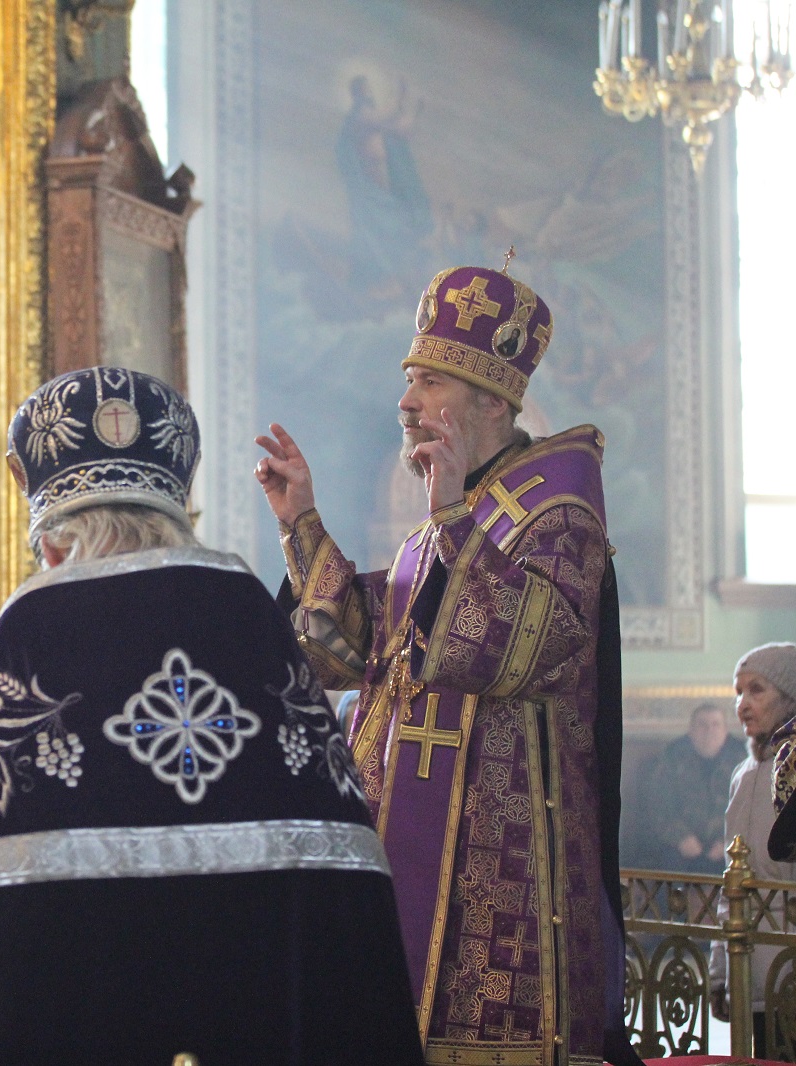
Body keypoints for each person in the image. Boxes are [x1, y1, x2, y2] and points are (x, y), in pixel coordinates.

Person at [0, 367, 424, 1065]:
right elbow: (347, 909)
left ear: (53, 546)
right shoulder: (256, 642)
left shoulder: (12, 666)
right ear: (176, 519)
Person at [256, 264, 637, 1065]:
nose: (406, 400)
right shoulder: (449, 514)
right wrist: (302, 523)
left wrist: (455, 517)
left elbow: (518, 649)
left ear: (492, 402)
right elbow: (361, 648)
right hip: (404, 825)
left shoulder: (559, 510)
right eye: (410, 378)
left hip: (500, 854)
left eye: (430, 382)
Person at [717, 643, 796, 1055]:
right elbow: (731, 882)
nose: (743, 704)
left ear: (789, 698)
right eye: (739, 692)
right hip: (751, 970)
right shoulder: (744, 774)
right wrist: (720, 972)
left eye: (757, 690)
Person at [638, 703, 740, 873]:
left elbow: (748, 811)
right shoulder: (670, 758)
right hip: (680, 847)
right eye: (702, 725)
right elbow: (658, 807)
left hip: (729, 846)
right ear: (691, 730)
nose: (709, 731)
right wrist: (681, 837)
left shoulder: (742, 761)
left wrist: (727, 841)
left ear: (725, 731)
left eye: (715, 725)